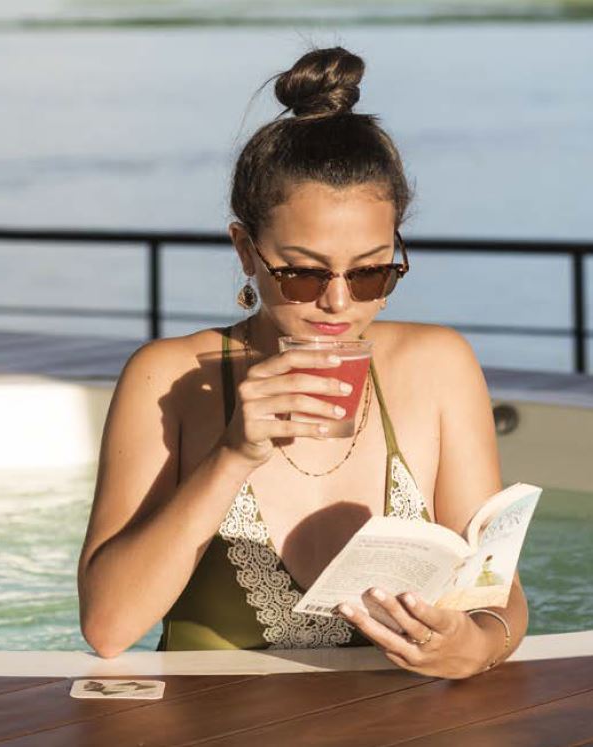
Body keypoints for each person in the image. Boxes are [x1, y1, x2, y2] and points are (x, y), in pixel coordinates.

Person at [77, 47, 526, 679]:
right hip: (213, 723)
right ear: (246, 250)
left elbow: (497, 593)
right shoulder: (168, 378)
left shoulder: (438, 366)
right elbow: (107, 628)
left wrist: (476, 645)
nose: (338, 302)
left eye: (370, 273)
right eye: (302, 274)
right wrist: (232, 455)